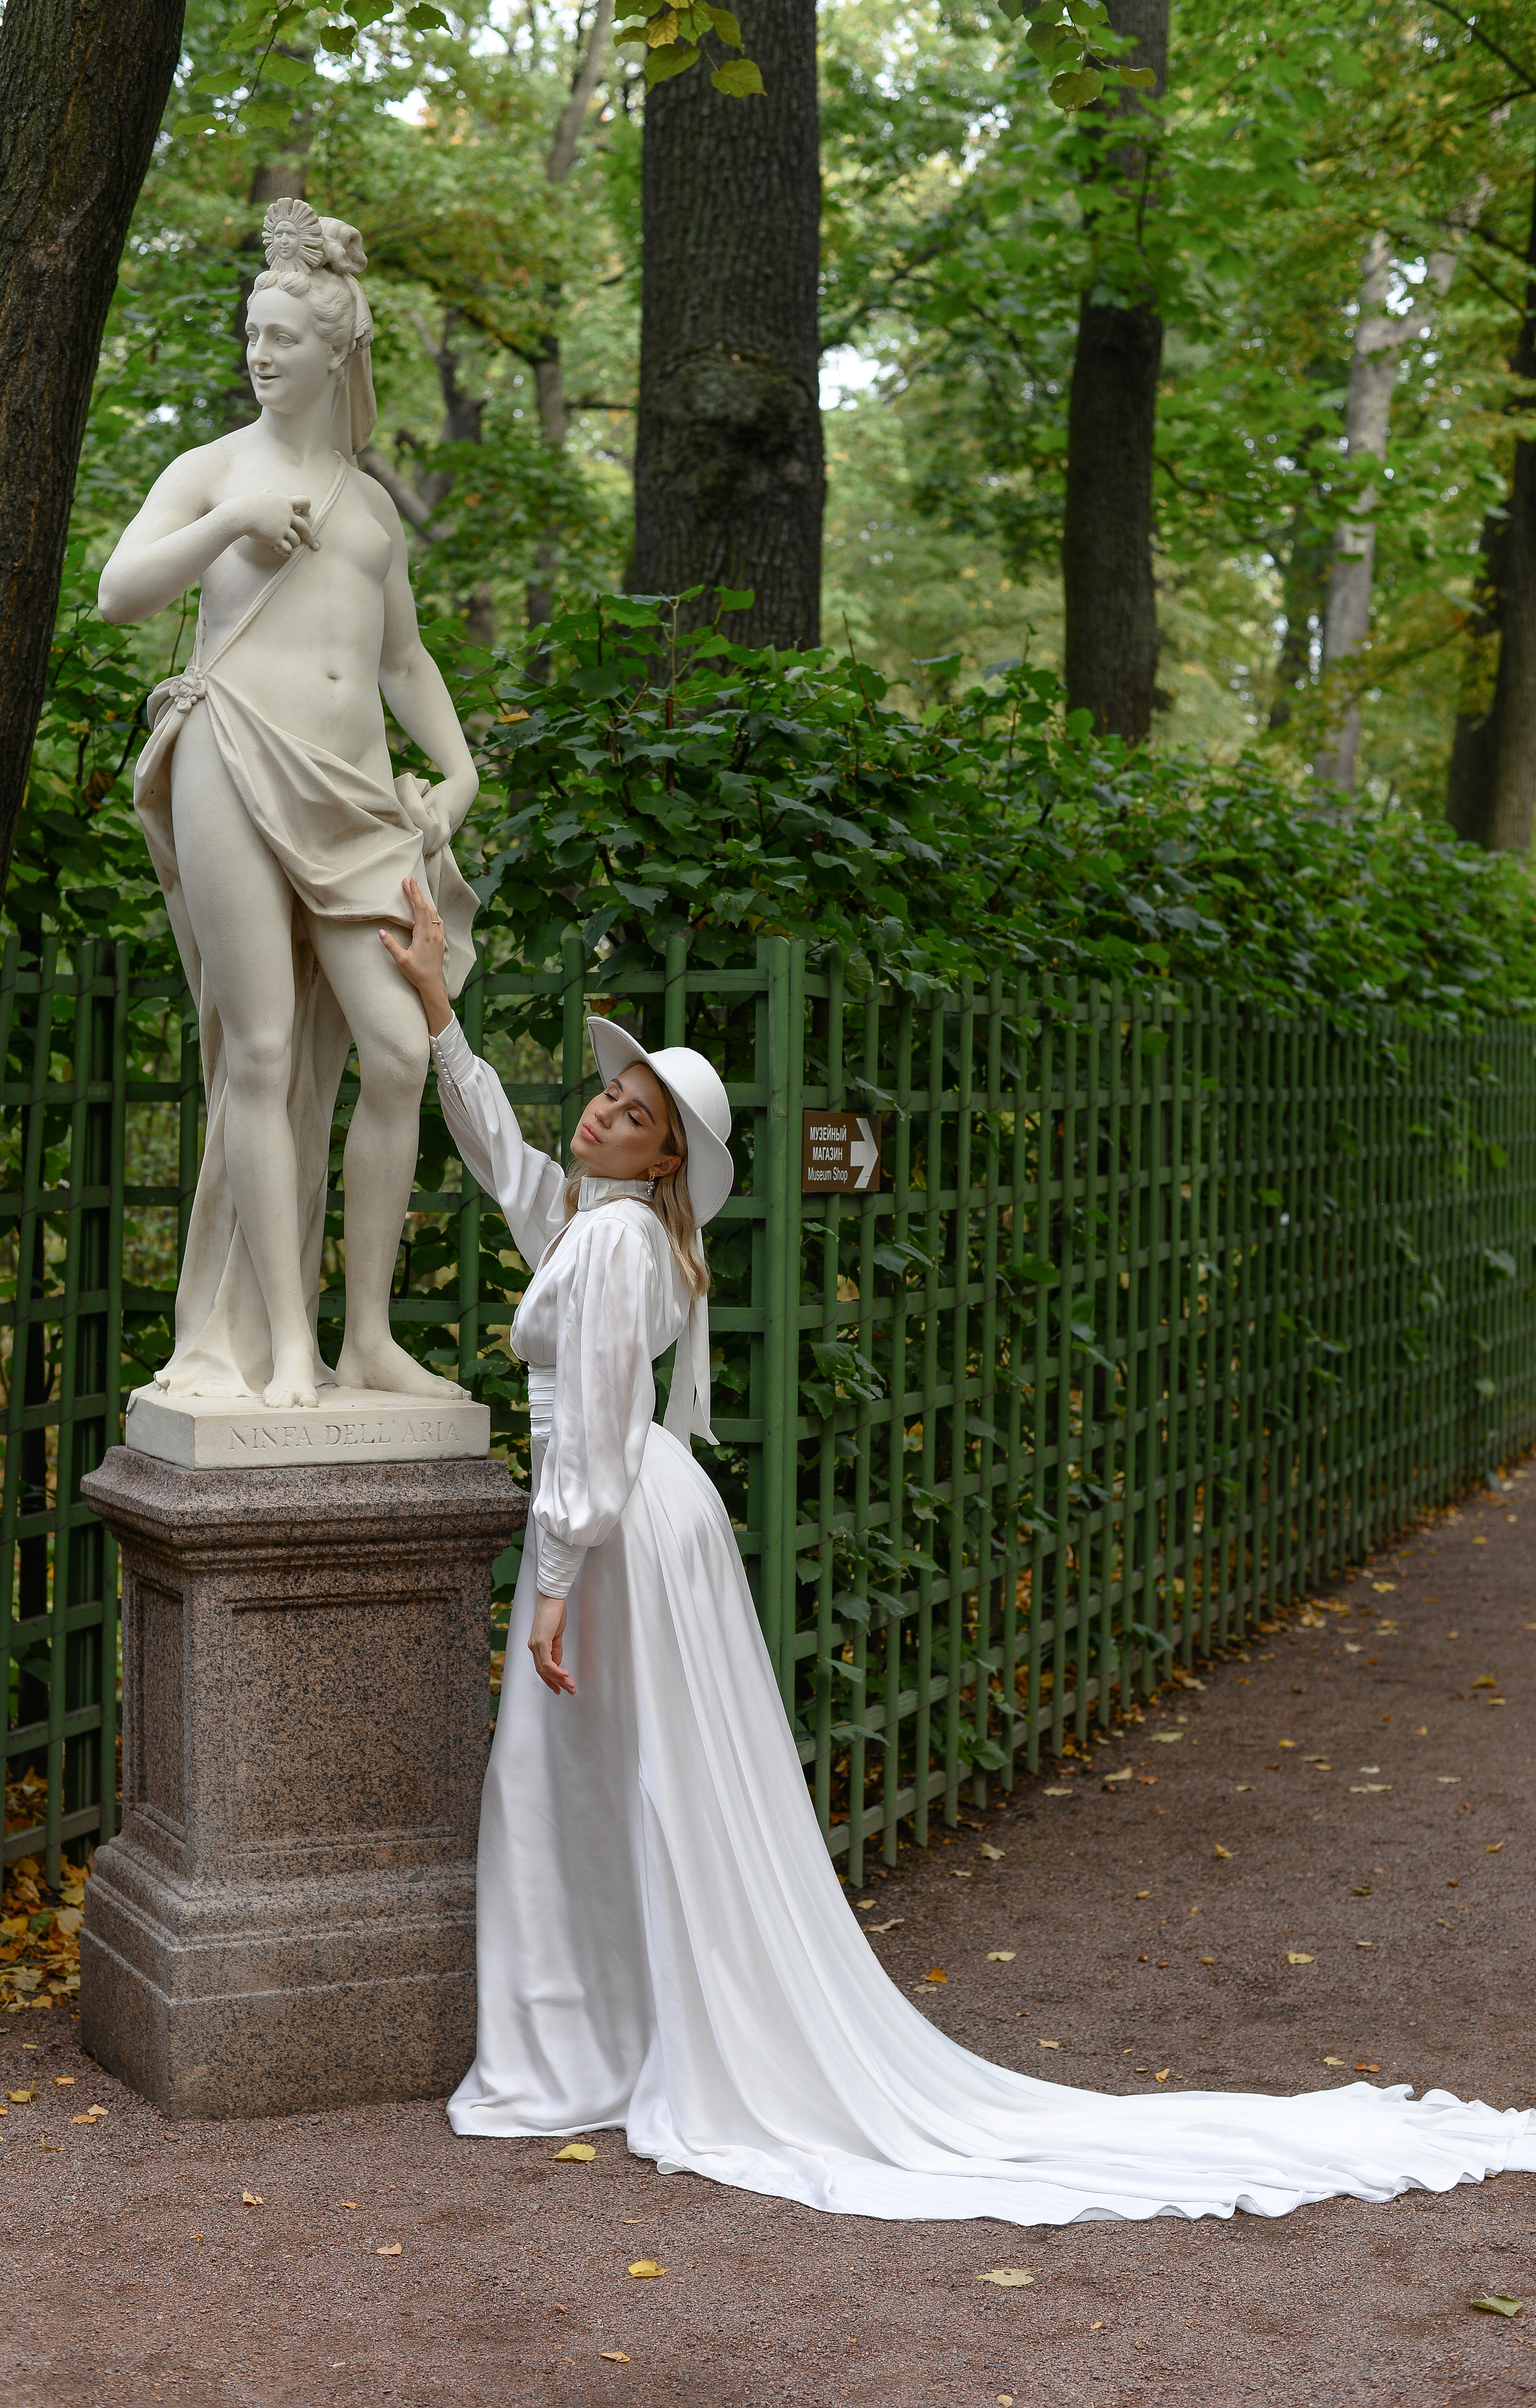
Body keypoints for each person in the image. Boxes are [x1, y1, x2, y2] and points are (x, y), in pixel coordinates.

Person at [383, 884, 1536, 2223]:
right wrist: (439, 1010)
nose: (601, 1113)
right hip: (642, 1518)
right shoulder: (605, 1227)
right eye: (609, 1094)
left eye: (632, 1113)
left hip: (615, 1525)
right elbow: (508, 1167)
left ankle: (580, 2052)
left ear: (663, 1158)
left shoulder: (615, 1244)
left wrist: (554, 1584)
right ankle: (615, 2035)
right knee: (628, 1780)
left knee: (574, 1776)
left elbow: (587, 1420)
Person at [99, 199, 477, 1407]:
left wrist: (461, 770)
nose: (259, 353)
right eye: (252, 332)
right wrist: (231, 520)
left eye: (282, 337)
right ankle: (285, 1344)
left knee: (400, 1051)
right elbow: (118, 591)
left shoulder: (371, 506)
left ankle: (366, 1336)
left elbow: (403, 660)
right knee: (259, 1052)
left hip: (357, 796)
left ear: (337, 351)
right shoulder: (213, 469)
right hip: (234, 758)